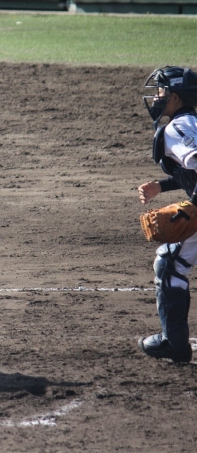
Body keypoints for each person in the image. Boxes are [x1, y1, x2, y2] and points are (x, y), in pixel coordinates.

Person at [137, 66, 197, 363]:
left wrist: (194, 204)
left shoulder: (178, 128)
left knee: (170, 263)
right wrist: (162, 186)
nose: (157, 97)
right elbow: (191, 170)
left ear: (175, 97)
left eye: (161, 91)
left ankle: (174, 344)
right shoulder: (191, 123)